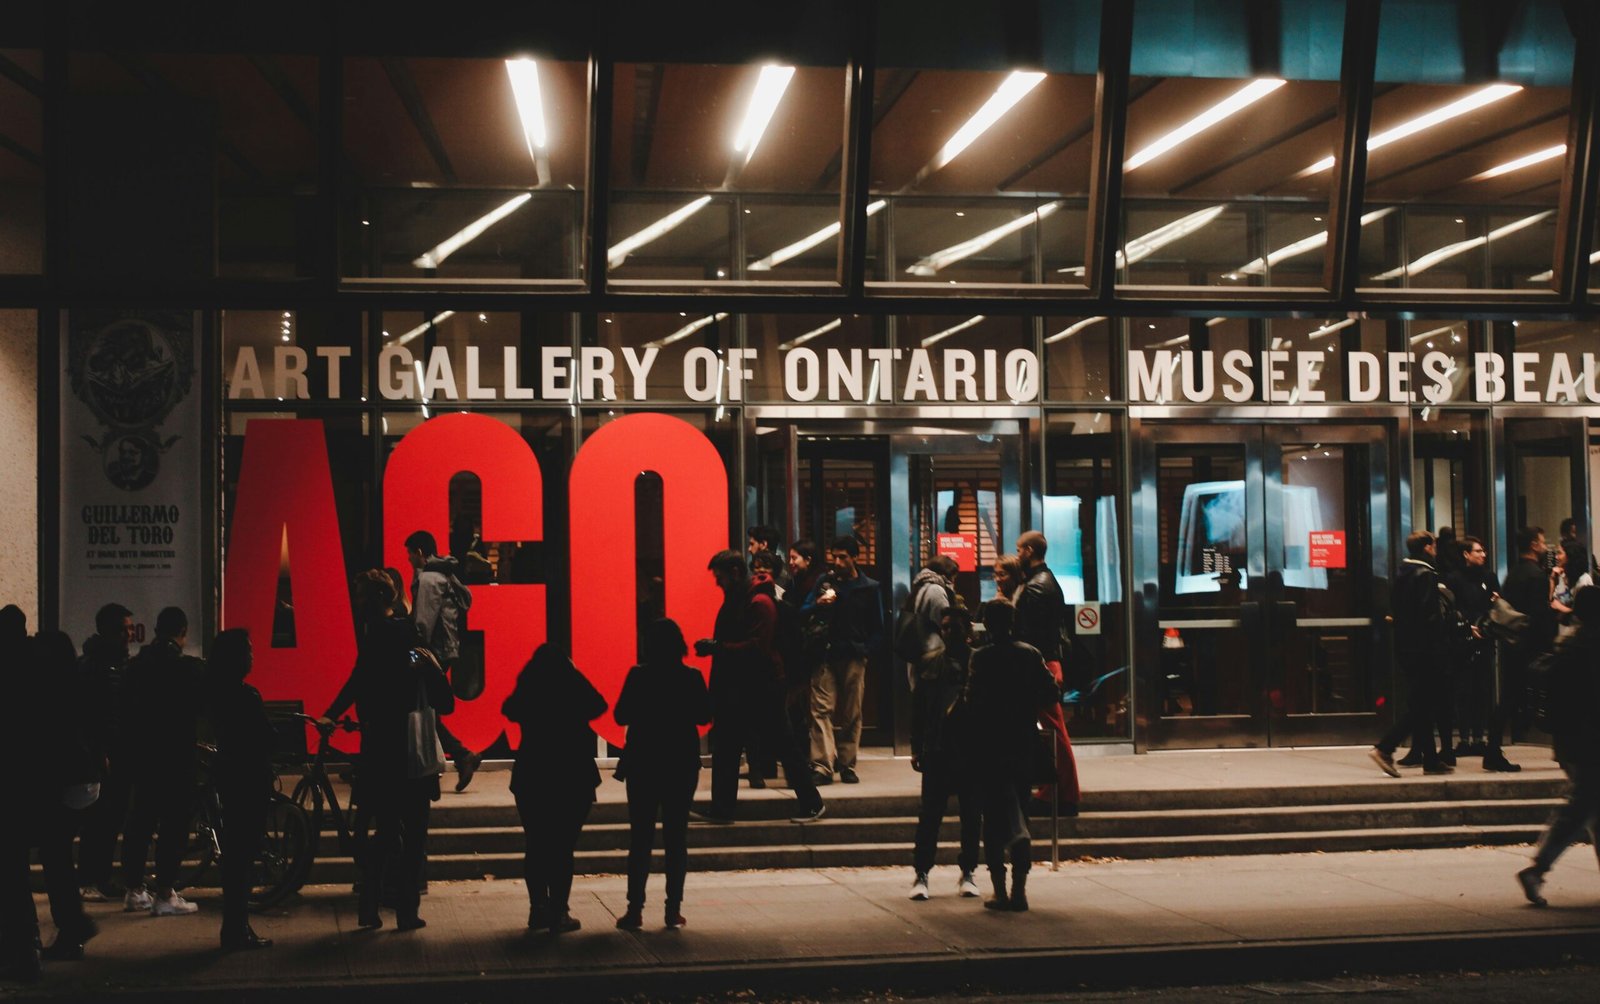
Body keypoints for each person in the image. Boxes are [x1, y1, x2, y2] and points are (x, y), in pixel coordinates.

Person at [349, 592, 455, 931]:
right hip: (414, 765)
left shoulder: (374, 667)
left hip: (381, 763)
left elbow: (354, 690)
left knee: (383, 837)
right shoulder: (417, 671)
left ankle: (369, 908)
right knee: (414, 842)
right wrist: (435, 668)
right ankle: (407, 911)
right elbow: (447, 704)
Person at [614, 619, 713, 931]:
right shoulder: (691, 677)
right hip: (680, 762)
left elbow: (620, 714)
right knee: (676, 837)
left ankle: (634, 909)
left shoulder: (638, 675)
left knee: (640, 838)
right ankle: (673, 909)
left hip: (643, 761)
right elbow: (703, 716)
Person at [502, 644, 607, 934]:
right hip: (572, 773)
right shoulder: (572, 687)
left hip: (533, 773)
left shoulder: (530, 688)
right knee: (563, 847)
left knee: (536, 844)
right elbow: (599, 704)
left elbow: (509, 708)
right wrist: (574, 674)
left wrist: (528, 676)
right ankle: (559, 910)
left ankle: (538, 908)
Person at [965, 599, 1059, 912]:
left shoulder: (981, 657)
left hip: (989, 744)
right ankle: (1020, 888)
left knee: (992, 818)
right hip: (1022, 740)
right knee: (1019, 805)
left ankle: (1000, 890)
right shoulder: (1030, 654)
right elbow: (1050, 693)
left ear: (987, 625)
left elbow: (971, 700)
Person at [120, 607, 206, 916]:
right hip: (176, 757)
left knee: (140, 822)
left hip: (143, 757)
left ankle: (133, 889)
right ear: (182, 632)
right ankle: (165, 893)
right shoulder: (186, 668)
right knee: (173, 826)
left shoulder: (136, 666)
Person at [695, 550, 793, 821]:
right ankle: (722, 808)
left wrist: (718, 648)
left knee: (774, 745)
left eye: (720, 578)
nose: (717, 583)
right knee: (733, 747)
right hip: (748, 686)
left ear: (735, 573)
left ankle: (810, 800)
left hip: (755, 687)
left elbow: (757, 647)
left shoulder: (757, 602)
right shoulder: (747, 599)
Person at [1518, 586, 1600, 907]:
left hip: (1570, 740)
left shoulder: (1569, 643)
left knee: (1589, 806)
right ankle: (1537, 869)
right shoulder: (1591, 646)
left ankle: (1538, 869)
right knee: (1580, 806)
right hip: (1590, 739)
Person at [205, 629, 275, 950]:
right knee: (242, 861)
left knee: (235, 861)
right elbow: (265, 737)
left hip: (228, 780)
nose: (252, 655)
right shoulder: (246, 696)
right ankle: (237, 929)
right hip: (249, 783)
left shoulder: (214, 692)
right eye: (247, 650)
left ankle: (234, 928)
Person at [909, 605, 982, 902]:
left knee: (970, 814)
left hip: (967, 748)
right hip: (940, 747)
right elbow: (919, 710)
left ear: (967, 632)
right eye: (946, 627)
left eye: (954, 628)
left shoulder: (976, 664)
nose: (948, 633)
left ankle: (967, 871)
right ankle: (923, 872)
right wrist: (917, 747)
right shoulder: (932, 664)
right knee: (931, 815)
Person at [404, 530, 483, 792]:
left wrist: (414, 656)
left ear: (419, 552)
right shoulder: (444, 574)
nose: (408, 560)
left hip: (433, 651)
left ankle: (460, 756)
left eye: (409, 554)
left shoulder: (428, 579)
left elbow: (423, 623)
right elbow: (466, 599)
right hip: (446, 649)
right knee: (429, 708)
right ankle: (462, 757)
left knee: (424, 707)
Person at [1372, 531, 1453, 776]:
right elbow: (1430, 616)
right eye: (1434, 546)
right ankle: (1385, 747)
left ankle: (1430, 759)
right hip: (1425, 649)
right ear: (1428, 547)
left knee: (1422, 702)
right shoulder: (1425, 574)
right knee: (1422, 703)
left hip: (1406, 647)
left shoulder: (1401, 573)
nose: (1436, 550)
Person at [804, 537, 883, 786]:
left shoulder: (869, 587)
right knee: (820, 711)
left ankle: (847, 764)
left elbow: (878, 626)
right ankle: (822, 764)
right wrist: (818, 603)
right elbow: (804, 609)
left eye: (842, 557)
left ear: (854, 558)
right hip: (826, 654)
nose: (837, 562)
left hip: (853, 655)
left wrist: (866, 650)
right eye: (834, 557)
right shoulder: (824, 582)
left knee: (852, 712)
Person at [1013, 532, 1081, 814]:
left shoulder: (1036, 587)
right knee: (1053, 729)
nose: (1017, 555)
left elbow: (1032, 633)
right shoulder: (1044, 581)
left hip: (1041, 666)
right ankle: (1056, 791)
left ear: (1029, 551)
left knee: (1054, 730)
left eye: (1019, 550)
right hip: (1047, 663)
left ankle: (1064, 794)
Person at [75, 602, 136, 902]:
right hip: (104, 754)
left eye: (129, 628)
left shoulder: (117, 663)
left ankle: (99, 876)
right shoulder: (94, 666)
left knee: (111, 818)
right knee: (99, 819)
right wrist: (100, 752)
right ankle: (90, 877)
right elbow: (90, 715)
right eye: (123, 629)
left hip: (118, 751)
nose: (128, 634)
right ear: (108, 631)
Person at [1491, 527, 1556, 772]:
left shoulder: (1514, 573)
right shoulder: (1537, 576)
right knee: (1538, 694)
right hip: (1530, 647)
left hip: (1512, 643)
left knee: (1508, 696)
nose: (1544, 546)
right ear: (1533, 545)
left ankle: (1493, 748)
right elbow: (1539, 615)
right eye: (1541, 541)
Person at [1445, 536, 1498, 757]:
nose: (1483, 554)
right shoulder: (1454, 579)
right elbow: (1452, 608)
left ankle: (1479, 737)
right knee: (1464, 690)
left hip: (1485, 638)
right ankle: (1464, 738)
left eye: (1483, 550)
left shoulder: (1489, 577)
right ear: (1466, 554)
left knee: (1482, 689)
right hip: (1462, 642)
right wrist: (1466, 627)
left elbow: (1495, 605)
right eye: (1477, 551)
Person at [904, 555, 958, 684]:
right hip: (932, 657)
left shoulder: (921, 586)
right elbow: (945, 621)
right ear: (947, 574)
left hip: (918, 654)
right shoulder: (936, 590)